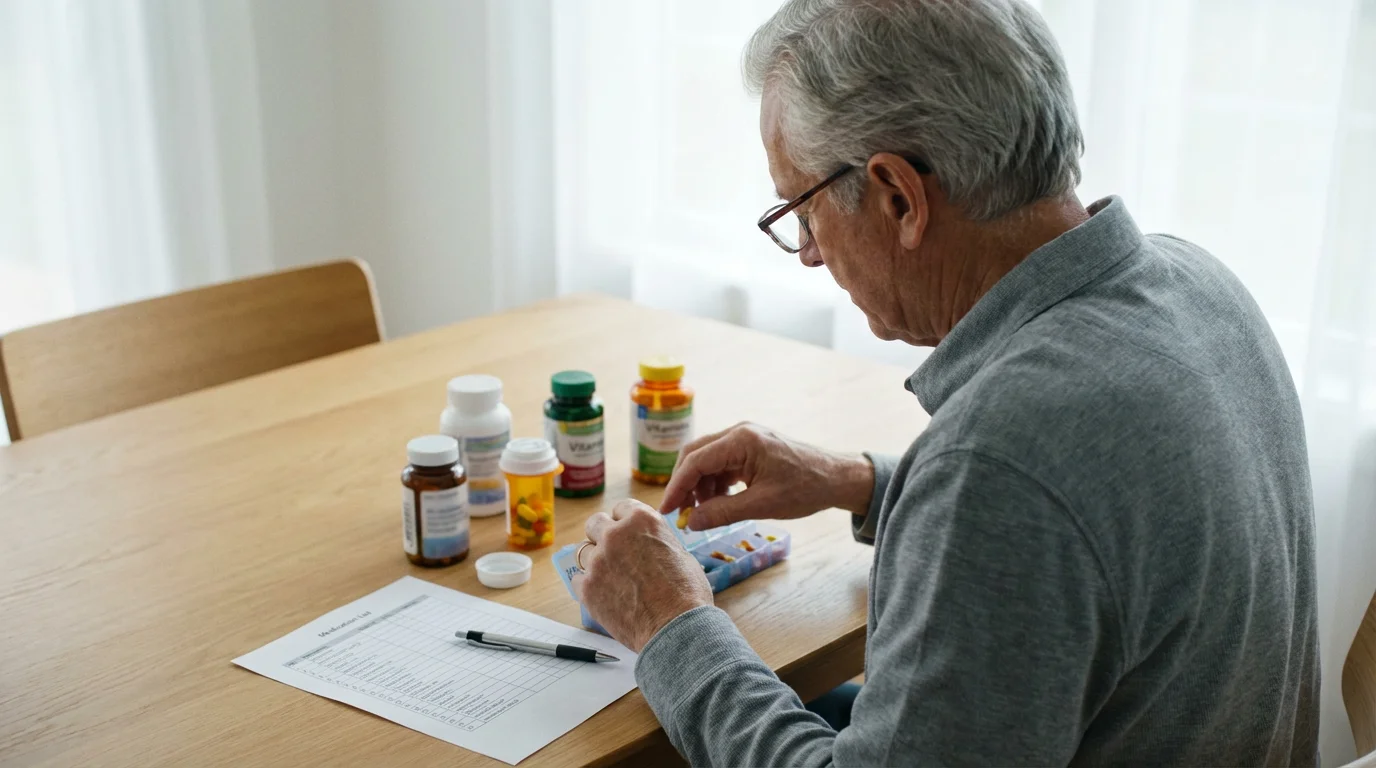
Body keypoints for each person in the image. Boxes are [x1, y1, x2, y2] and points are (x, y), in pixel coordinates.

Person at [572, 0, 1320, 764]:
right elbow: (1089, 542)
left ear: (899, 196)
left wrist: (670, 624)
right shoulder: (1196, 282)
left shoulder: (1001, 460)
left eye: (802, 209)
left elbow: (1013, 496)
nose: (808, 254)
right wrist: (862, 483)